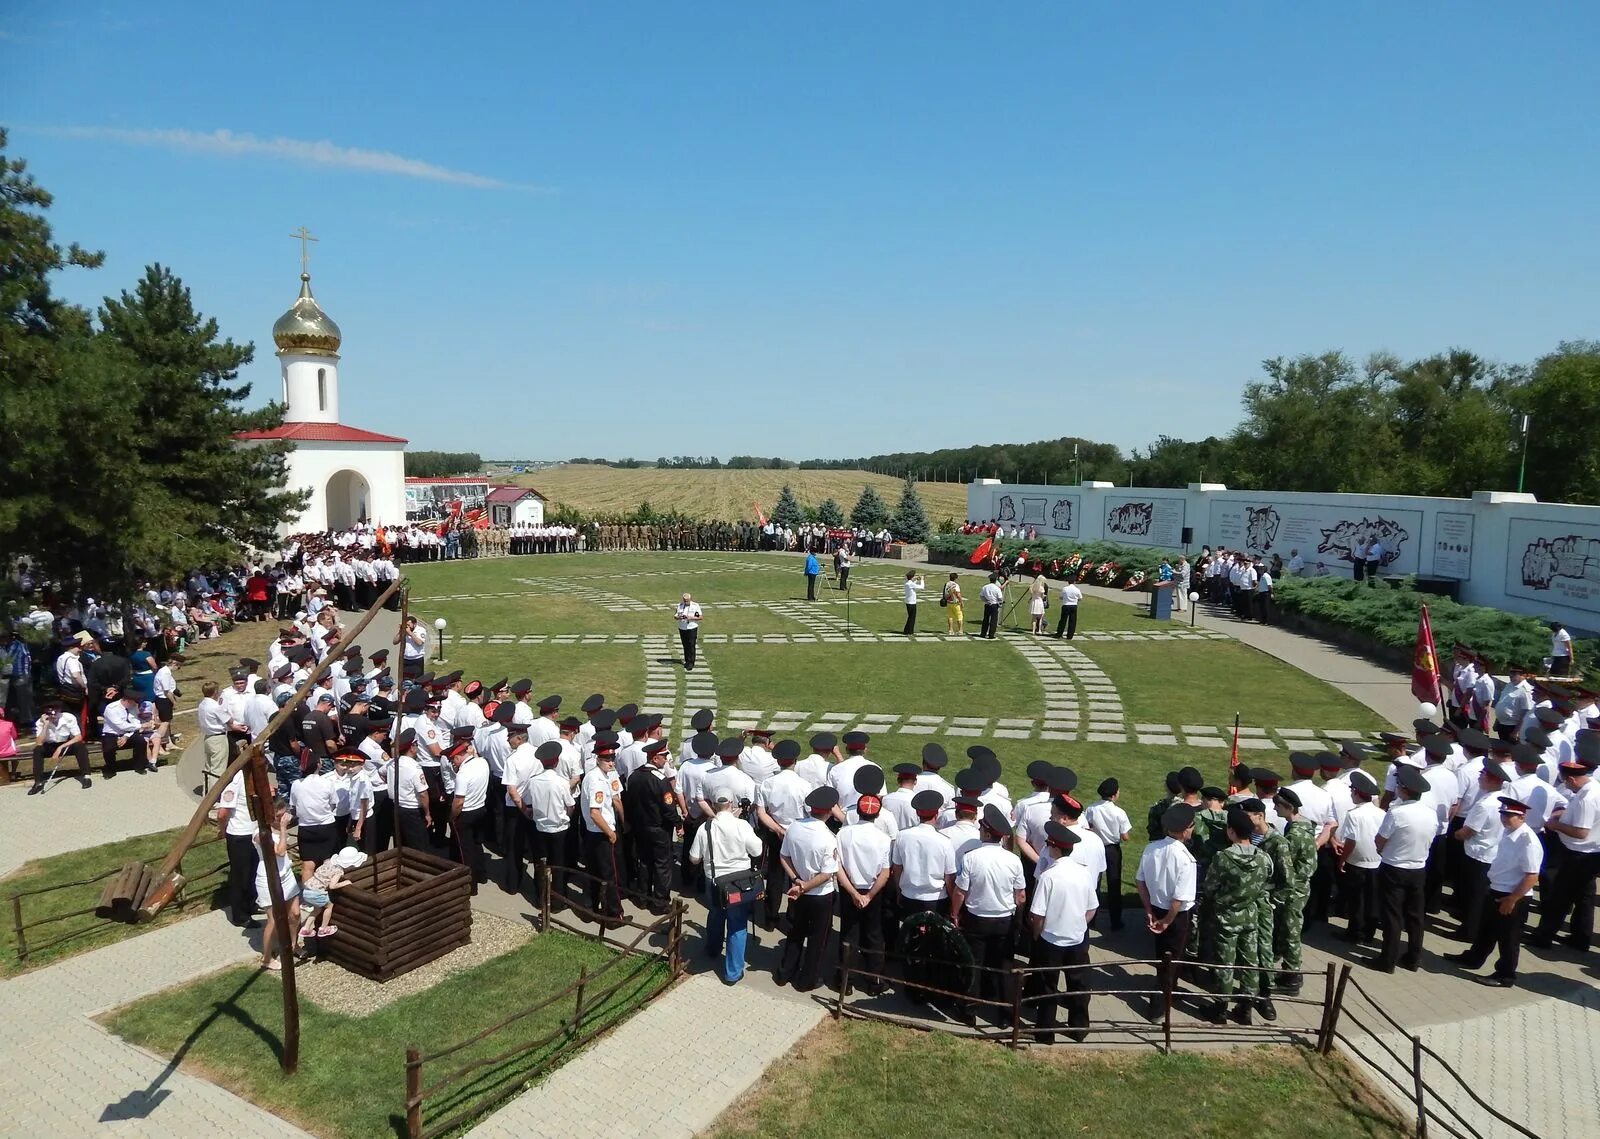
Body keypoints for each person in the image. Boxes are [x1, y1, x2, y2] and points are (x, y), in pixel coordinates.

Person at [1446, 797, 1542, 986]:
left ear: (1522, 816)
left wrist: (1512, 899)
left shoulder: (1527, 841)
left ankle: (1505, 975)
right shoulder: (1509, 832)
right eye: (1503, 814)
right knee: (1486, 930)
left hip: (1511, 896)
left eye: (1509, 815)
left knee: (1508, 939)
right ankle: (1474, 958)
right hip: (1497, 889)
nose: (1504, 819)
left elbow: (1532, 876)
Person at [951, 804, 1025, 1025]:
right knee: (1003, 966)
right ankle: (1004, 1015)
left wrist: (954, 914)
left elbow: (960, 892)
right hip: (1004, 919)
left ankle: (969, 1011)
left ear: (985, 832)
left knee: (974, 964)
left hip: (977, 919)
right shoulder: (1013, 860)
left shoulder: (971, 858)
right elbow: (1020, 896)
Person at [1025, 822, 1097, 1043]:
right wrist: (1078, 924)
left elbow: (1037, 914)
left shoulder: (1049, 877)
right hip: (1076, 939)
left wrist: (1037, 934)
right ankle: (1079, 1028)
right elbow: (1091, 908)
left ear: (1054, 848)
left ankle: (1045, 1032)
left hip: (1051, 939)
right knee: (1078, 985)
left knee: (1048, 986)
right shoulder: (1084, 874)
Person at [1198, 808, 1271, 1025]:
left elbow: (1210, 887)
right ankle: (1245, 1007)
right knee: (1250, 962)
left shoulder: (1224, 858)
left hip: (1226, 917)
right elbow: (1264, 884)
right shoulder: (1263, 858)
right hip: (1250, 916)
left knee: (1225, 963)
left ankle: (1220, 1008)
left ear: (1231, 831)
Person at [692, 789, 765, 984]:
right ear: (731, 804)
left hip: (714, 880)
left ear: (714, 805)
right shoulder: (741, 825)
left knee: (716, 913)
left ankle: (713, 948)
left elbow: (694, 858)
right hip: (738, 882)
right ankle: (733, 972)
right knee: (738, 923)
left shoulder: (705, 828)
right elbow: (757, 850)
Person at [1529, 755, 1599, 952]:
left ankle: (1544, 936)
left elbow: (1581, 832)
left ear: (1571, 779)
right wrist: (1565, 815)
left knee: (1560, 897)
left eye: (1569, 785)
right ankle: (1581, 937)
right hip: (1591, 853)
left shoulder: (1587, 798)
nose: (1569, 789)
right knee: (1585, 898)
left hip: (1578, 854)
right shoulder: (1594, 787)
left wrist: (1556, 825)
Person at [778, 786, 841, 992]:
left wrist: (796, 880)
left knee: (796, 932)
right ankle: (806, 980)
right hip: (820, 895)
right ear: (830, 810)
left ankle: (784, 972)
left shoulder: (795, 827)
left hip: (798, 890)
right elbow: (827, 874)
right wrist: (804, 886)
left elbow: (784, 856)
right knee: (817, 940)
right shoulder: (828, 837)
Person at [1371, 766, 1434, 973]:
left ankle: (1387, 960)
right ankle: (1413, 958)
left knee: (1392, 916)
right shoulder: (1430, 813)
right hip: (1418, 868)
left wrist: (1382, 849)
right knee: (1415, 916)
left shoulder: (1397, 813)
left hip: (1394, 867)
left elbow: (1380, 840)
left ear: (1404, 790)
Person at [1135, 803, 1198, 1010]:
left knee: (1161, 954)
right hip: (1175, 916)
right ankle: (1159, 1004)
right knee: (1173, 957)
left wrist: (1149, 911)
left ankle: (1169, 990)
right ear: (1186, 828)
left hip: (1156, 908)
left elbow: (1141, 882)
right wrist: (1167, 921)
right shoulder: (1186, 859)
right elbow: (1179, 899)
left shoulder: (1151, 848)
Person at [836, 786, 894, 994]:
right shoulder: (884, 839)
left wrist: (853, 893)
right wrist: (868, 896)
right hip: (873, 890)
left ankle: (845, 980)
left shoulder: (843, 834)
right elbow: (885, 873)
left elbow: (838, 867)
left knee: (849, 933)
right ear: (877, 815)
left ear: (858, 812)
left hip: (848, 888)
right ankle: (874, 981)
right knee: (874, 934)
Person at [624, 738, 679, 912]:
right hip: (658, 829)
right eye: (664, 756)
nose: (666, 759)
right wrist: (678, 823)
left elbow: (629, 802)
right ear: (655, 758)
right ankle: (660, 902)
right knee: (662, 865)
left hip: (640, 828)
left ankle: (642, 897)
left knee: (645, 862)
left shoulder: (634, 776)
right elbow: (669, 808)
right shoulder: (660, 780)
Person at [580, 735, 626, 923]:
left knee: (595, 872)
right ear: (598, 759)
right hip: (601, 833)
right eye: (607, 759)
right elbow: (595, 813)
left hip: (596, 832)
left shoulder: (605, 775)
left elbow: (615, 800)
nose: (611, 762)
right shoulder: (597, 779)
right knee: (609, 875)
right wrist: (611, 833)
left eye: (612, 758)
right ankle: (614, 914)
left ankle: (591, 907)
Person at [1334, 771, 1384, 945]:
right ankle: (1368, 933)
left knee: (1357, 901)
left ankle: (1355, 933)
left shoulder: (1354, 815)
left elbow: (1351, 842)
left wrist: (1342, 860)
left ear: (1356, 792)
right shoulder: (1380, 812)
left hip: (1357, 863)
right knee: (1372, 900)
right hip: (1376, 862)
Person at [256, 802, 301, 972]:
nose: (282, 819)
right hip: (268, 878)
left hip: (286, 875)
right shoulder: (260, 834)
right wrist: (283, 829)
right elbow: (280, 851)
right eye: (278, 816)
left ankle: (292, 944)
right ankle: (266, 957)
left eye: (284, 815)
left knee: (295, 913)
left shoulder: (278, 828)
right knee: (274, 920)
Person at [1083, 778, 1130, 930]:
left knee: (1094, 882)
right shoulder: (1119, 812)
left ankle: (1092, 919)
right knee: (1114, 884)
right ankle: (1115, 921)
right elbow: (1125, 836)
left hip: (1096, 847)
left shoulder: (1091, 809)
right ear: (1115, 794)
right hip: (1113, 850)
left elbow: (1087, 827)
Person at [216, 767, 261, 927]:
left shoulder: (254, 778)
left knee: (253, 872)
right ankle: (239, 915)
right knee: (240, 876)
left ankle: (250, 904)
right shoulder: (234, 784)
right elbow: (222, 813)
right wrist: (222, 831)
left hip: (253, 833)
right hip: (239, 835)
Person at [299, 846, 365, 941]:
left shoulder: (328, 863)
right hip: (317, 892)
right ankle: (323, 928)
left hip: (307, 890)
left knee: (316, 909)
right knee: (329, 906)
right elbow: (332, 886)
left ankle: (305, 929)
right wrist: (345, 883)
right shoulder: (338, 871)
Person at [29, 699, 91, 792]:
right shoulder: (40, 722)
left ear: (59, 711)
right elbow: (39, 743)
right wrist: (45, 725)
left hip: (65, 744)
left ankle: (86, 776)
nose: (53, 716)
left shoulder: (68, 718)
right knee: (37, 750)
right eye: (50, 713)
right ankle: (38, 782)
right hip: (49, 745)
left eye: (55, 712)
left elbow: (78, 737)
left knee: (80, 746)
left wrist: (60, 747)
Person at [674, 593, 703, 672]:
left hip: (692, 627)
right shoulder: (679, 605)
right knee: (685, 645)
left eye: (687, 600)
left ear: (690, 599)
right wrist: (678, 617)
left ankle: (691, 662)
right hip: (682, 627)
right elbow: (675, 615)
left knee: (691, 645)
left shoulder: (695, 605)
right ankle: (687, 661)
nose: (685, 602)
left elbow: (700, 617)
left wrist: (691, 617)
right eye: (684, 600)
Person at [978, 574, 1004, 640]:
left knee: (985, 619)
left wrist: (987, 600)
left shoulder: (985, 587)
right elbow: (1000, 598)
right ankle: (991, 634)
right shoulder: (997, 588)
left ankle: (983, 633)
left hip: (987, 604)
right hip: (994, 605)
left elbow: (981, 596)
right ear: (995, 581)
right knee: (993, 620)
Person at [901, 571, 926, 636]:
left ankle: (907, 630)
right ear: (912, 577)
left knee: (910, 617)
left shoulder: (907, 583)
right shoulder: (910, 584)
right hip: (912, 603)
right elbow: (922, 587)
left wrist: (917, 580)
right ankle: (909, 631)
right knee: (912, 617)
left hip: (908, 602)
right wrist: (922, 580)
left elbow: (913, 586)